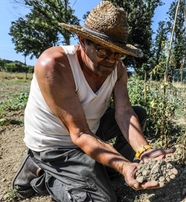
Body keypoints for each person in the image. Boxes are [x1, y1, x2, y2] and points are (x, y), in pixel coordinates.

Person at [11, 1, 175, 201]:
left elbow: (124, 112)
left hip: (90, 130)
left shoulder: (118, 69)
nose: (111, 60)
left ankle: (110, 173)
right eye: (103, 51)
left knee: (137, 114)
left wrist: (145, 151)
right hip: (55, 146)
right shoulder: (55, 65)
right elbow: (79, 133)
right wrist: (124, 164)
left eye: (117, 53)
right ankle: (42, 175)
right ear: (82, 41)